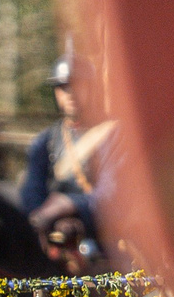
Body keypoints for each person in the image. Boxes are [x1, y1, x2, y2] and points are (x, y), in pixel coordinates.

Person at [19, 52, 119, 254]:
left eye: (78, 84)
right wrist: (47, 218)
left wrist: (71, 205)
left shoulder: (113, 135)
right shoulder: (44, 141)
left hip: (110, 242)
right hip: (55, 240)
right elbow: (31, 193)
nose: (70, 93)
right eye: (64, 87)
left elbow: (114, 194)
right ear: (56, 93)